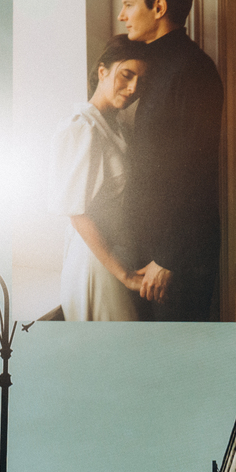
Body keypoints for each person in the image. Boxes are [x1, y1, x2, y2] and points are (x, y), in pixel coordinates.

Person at [118, 0, 224, 321]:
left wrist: (168, 259)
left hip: (177, 261)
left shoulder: (195, 70)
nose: (121, 15)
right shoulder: (147, 66)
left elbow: (199, 171)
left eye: (129, 4)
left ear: (158, 8)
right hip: (145, 252)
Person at [50, 35, 151, 321]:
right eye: (126, 76)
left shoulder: (117, 126)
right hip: (93, 262)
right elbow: (77, 214)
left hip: (116, 254)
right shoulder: (81, 128)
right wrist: (126, 276)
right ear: (102, 71)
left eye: (141, 82)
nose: (133, 89)